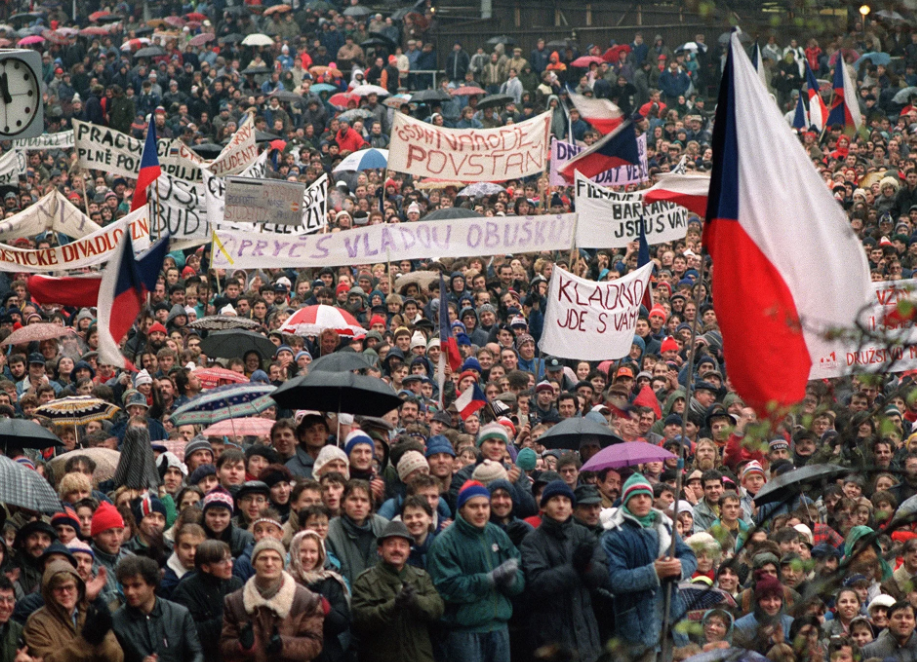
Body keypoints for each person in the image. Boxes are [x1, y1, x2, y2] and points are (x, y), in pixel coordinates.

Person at [603, 473, 697, 661]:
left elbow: (688, 556)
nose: (642, 500)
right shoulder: (614, 535)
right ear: (626, 500)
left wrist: (679, 568)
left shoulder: (665, 526)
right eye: (636, 496)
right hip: (638, 626)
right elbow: (615, 579)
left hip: (671, 619)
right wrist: (653, 572)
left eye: (646, 495)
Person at [427, 480, 525, 662]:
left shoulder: (498, 534)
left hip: (499, 628)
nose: (481, 512)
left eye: (484, 506)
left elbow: (518, 570)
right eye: (474, 506)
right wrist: (489, 579)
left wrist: (512, 581)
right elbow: (447, 587)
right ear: (462, 509)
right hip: (464, 633)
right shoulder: (445, 542)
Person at [519, 480, 608, 662]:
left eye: (566, 501)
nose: (561, 505)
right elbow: (539, 582)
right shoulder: (533, 541)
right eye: (555, 500)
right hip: (551, 636)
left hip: (585, 633)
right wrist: (576, 568)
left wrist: (587, 567)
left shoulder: (583, 534)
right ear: (543, 506)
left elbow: (602, 575)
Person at [351, 521, 444, 662]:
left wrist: (415, 600)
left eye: (403, 545)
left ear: (408, 551)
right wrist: (394, 605)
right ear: (380, 550)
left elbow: (437, 608)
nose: (397, 549)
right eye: (391, 544)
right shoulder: (365, 581)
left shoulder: (421, 577)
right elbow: (361, 620)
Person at [220, 539, 325, 662]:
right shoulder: (234, 601)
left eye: (275, 558)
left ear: (282, 563)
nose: (269, 563)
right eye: (263, 558)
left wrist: (283, 645)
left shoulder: (306, 600)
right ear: (253, 563)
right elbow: (224, 645)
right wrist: (242, 646)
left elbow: (315, 644)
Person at [22, 560, 123, 662]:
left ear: (78, 589)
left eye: (69, 587)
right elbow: (47, 660)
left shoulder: (91, 613)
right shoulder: (36, 623)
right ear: (49, 592)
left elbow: (118, 657)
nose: (65, 593)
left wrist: (100, 639)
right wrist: (85, 641)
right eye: (59, 589)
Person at [111, 555, 204, 662]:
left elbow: (196, 654)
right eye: (125, 586)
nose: (129, 592)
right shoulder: (116, 621)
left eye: (136, 586)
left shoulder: (179, 614)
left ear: (152, 585)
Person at [171, 540, 243, 662]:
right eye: (222, 562)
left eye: (230, 559)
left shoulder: (236, 583)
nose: (229, 564)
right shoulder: (186, 590)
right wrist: (226, 620)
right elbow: (189, 632)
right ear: (205, 567)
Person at [288, 531, 350, 662]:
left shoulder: (330, 581)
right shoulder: (284, 581)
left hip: (325, 654)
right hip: (291, 653)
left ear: (320, 554)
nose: (308, 556)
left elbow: (341, 623)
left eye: (313, 551)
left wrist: (323, 604)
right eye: (303, 551)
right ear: (294, 552)